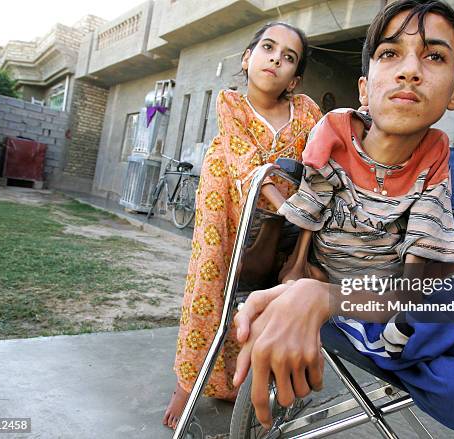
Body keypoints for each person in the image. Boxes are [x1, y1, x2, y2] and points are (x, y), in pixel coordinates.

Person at [232, 0, 454, 433]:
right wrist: (300, 276)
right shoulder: (333, 137)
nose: (410, 70)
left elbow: (415, 279)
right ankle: (400, 338)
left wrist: (327, 298)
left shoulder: (434, 157)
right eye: (390, 53)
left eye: (434, 56)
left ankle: (398, 336)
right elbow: (304, 219)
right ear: (365, 87)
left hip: (397, 288)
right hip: (349, 283)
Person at [162, 22, 322, 429]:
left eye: (288, 57)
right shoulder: (230, 102)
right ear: (247, 58)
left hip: (281, 221)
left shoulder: (305, 111)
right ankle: (187, 383)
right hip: (227, 204)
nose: (276, 59)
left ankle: (241, 380)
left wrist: (295, 218)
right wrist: (286, 206)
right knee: (210, 287)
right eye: (268, 48)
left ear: (295, 77)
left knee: (264, 296)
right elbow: (249, 164)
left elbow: (321, 167)